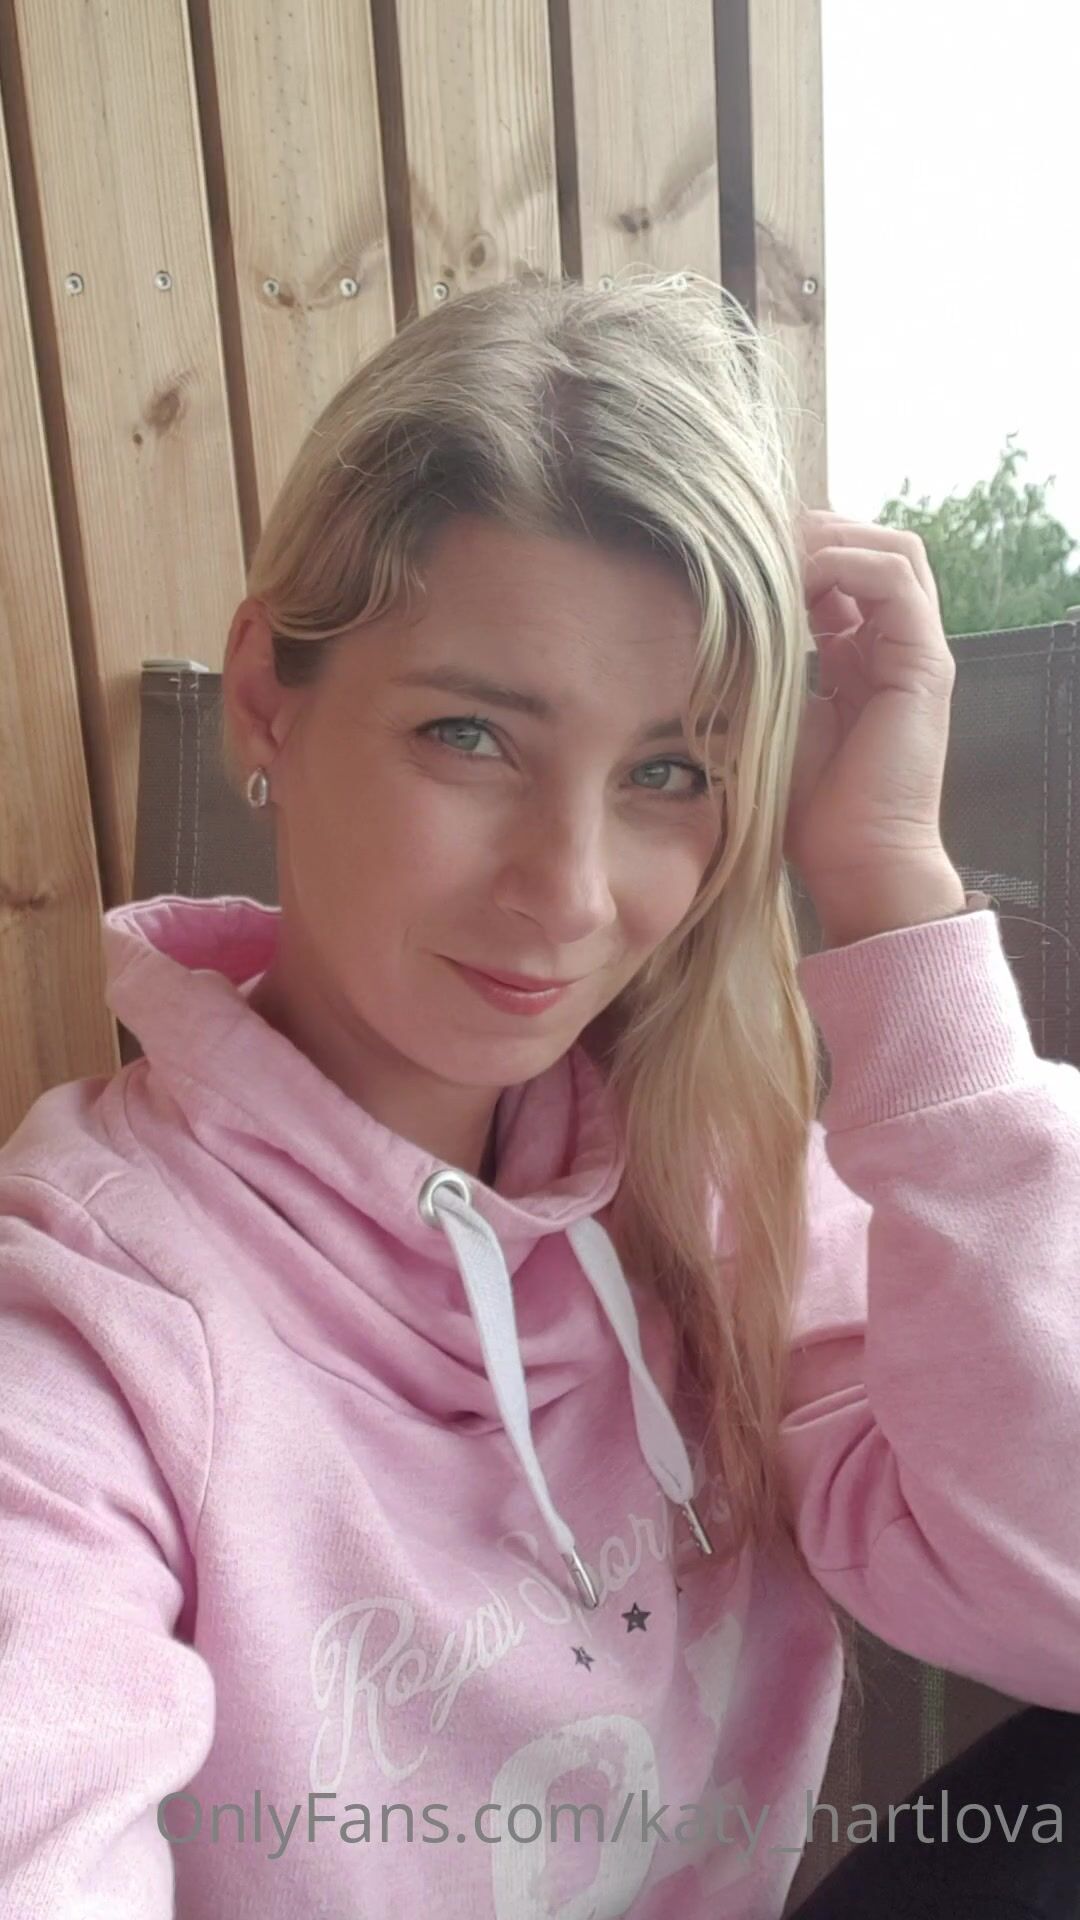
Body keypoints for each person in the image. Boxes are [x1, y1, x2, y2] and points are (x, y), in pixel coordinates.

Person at [0, 268, 1077, 1920]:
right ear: (269, 697)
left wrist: (890, 890)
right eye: (472, 737)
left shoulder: (713, 1188)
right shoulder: (90, 1321)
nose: (570, 893)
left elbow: (1053, 1589)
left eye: (670, 771)